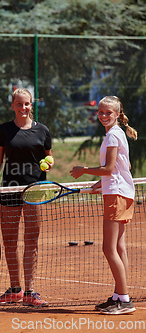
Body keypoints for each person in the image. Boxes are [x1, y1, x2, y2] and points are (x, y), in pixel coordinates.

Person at [70, 96, 137, 315]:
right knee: (119, 247)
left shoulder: (112, 135)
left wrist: (84, 170)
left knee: (108, 248)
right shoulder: (117, 134)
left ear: (117, 114)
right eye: (100, 112)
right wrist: (101, 183)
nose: (103, 116)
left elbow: (108, 168)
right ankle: (119, 295)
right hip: (122, 192)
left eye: (108, 112)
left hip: (116, 195)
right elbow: (122, 166)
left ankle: (125, 300)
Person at [0, 88, 53, 307]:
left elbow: (49, 159)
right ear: (13, 106)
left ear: (31, 105)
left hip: (35, 190)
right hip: (10, 189)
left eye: (27, 104)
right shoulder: (4, 130)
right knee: (10, 241)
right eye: (19, 104)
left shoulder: (42, 130)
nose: (23, 108)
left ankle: (30, 292)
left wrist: (49, 164)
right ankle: (15, 289)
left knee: (31, 241)